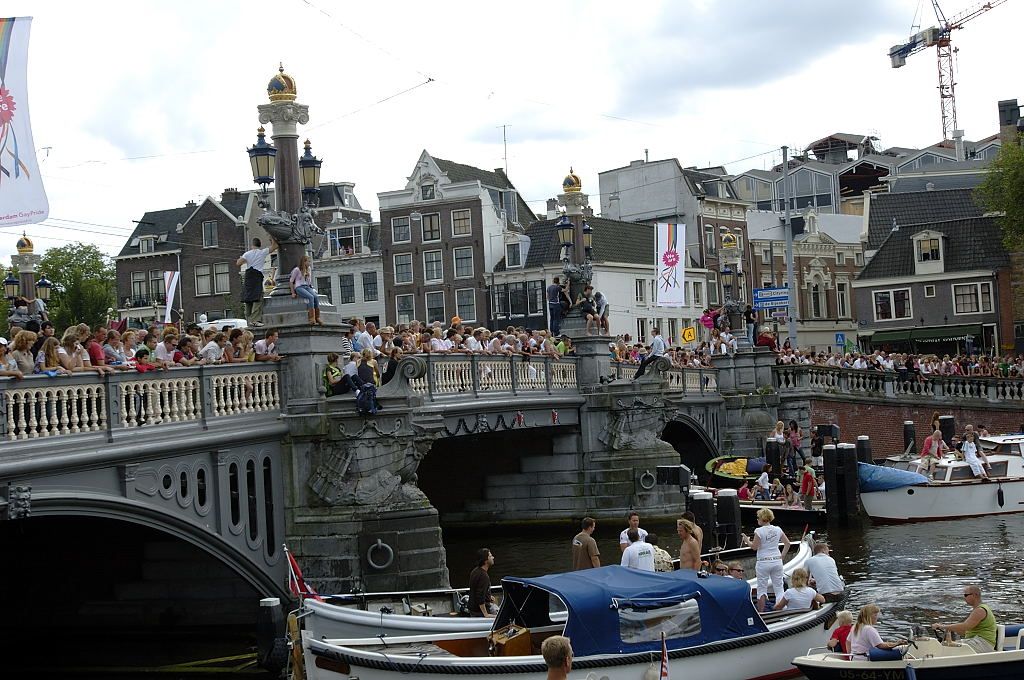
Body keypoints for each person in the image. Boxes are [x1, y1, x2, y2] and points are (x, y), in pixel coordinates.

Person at [743, 508, 790, 612]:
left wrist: (747, 541)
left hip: (763, 561)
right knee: (779, 588)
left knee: (762, 589)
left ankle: (761, 613)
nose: (757, 519)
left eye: (758, 517)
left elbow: (754, 547)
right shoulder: (778, 529)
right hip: (777, 561)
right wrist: (782, 556)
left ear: (762, 518)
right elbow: (787, 544)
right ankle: (782, 610)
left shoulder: (759, 531)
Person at [934, 585, 997, 653]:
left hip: (983, 644)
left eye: (966, 595)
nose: (964, 597)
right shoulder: (977, 609)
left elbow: (965, 627)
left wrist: (943, 627)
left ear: (974, 595)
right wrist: (950, 631)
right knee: (948, 645)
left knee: (950, 649)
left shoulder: (980, 610)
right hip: (976, 641)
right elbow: (964, 631)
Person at [236, 237, 276, 328]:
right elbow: (275, 247)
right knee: (258, 297)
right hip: (257, 276)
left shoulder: (247, 253)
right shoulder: (262, 252)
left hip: (249, 276)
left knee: (248, 297)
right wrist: (272, 238)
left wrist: (246, 260)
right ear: (260, 245)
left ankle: (249, 320)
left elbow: (238, 263)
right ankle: (255, 320)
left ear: (252, 245)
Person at [290, 255, 322, 325]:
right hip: (299, 287)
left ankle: (317, 317)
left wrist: (308, 276)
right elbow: (291, 281)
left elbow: (309, 282)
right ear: (304, 262)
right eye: (308, 261)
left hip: (307, 286)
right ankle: (312, 318)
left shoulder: (309, 269)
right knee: (311, 297)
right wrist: (293, 292)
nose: (309, 263)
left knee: (316, 297)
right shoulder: (297, 270)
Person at [467, 548, 496, 618]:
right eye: (490, 556)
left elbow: (475, 589)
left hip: (472, 608)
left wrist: (488, 597)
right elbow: (480, 596)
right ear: (486, 560)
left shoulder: (475, 571)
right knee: (500, 613)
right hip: (479, 612)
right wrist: (486, 614)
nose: (493, 557)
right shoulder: (484, 576)